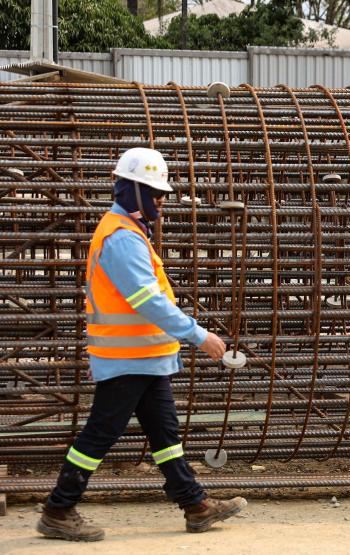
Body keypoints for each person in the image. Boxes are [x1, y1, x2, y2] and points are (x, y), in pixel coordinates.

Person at [37, 148, 246, 541]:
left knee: (165, 435)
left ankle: (195, 505)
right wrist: (199, 336)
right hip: (127, 357)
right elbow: (147, 301)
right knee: (99, 434)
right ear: (134, 191)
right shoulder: (121, 238)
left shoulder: (131, 232)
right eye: (155, 192)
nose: (161, 200)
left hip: (145, 358)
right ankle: (58, 509)